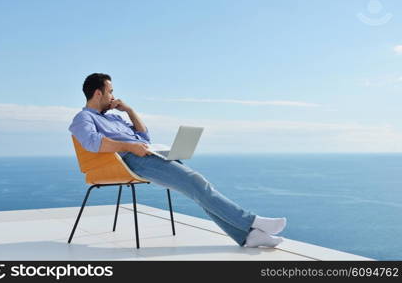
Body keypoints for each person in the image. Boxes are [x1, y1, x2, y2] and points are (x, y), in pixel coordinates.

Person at [69, 73, 287, 248]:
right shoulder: (83, 118)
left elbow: (145, 137)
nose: (113, 96)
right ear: (98, 93)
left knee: (196, 187)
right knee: (196, 182)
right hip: (131, 160)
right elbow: (92, 142)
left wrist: (129, 110)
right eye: (111, 92)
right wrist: (128, 146)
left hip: (144, 153)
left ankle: (248, 237)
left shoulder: (114, 117)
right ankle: (252, 222)